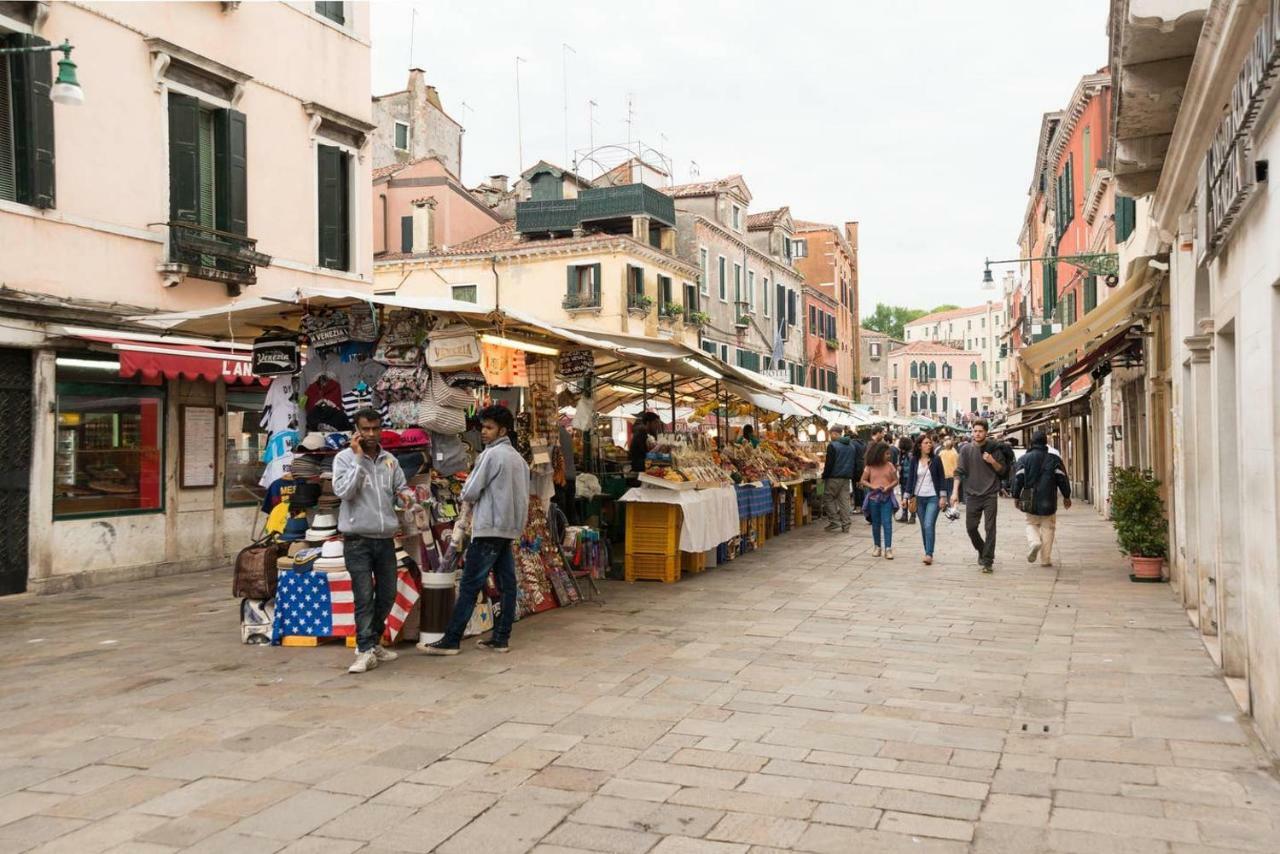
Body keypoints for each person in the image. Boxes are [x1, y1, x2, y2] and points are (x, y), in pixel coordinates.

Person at [423, 405, 530, 655]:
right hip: (508, 528)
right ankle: (501, 637)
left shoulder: (492, 456)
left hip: (490, 527)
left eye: (489, 427)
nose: (483, 431)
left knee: (471, 583)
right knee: (507, 583)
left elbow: (470, 490)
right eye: (483, 426)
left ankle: (451, 639)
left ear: (502, 430)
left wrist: (466, 491)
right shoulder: (519, 460)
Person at [332, 407, 407, 674]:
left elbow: (401, 488)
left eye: (376, 428)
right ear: (357, 430)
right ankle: (364, 650)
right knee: (363, 596)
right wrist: (359, 459)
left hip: (385, 538)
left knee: (387, 594)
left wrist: (407, 496)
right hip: (357, 540)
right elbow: (344, 491)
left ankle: (373, 641)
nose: (372, 434)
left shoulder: (390, 461)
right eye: (366, 429)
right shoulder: (343, 459)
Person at [951, 417, 1012, 573]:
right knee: (971, 528)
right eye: (975, 431)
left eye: (980, 431)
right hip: (971, 495)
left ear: (986, 433)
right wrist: (954, 493)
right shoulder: (965, 450)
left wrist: (992, 461)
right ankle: (982, 550)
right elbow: (959, 472)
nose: (977, 434)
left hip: (990, 494)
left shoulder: (994, 449)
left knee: (990, 528)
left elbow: (1003, 471)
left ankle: (988, 561)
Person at [1012, 430, 1072, 567]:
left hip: (1030, 499)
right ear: (1046, 442)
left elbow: (1018, 478)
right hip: (1049, 498)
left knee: (1031, 523)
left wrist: (1016, 496)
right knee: (1048, 528)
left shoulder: (1024, 459)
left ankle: (1034, 542)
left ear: (1032, 443)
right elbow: (1062, 478)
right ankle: (1045, 559)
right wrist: (1066, 496)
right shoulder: (1054, 459)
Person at [901, 433, 948, 565]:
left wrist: (943, 497)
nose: (929, 445)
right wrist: (905, 497)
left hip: (933, 496)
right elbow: (910, 480)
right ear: (919, 446)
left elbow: (942, 478)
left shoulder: (936, 459)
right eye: (926, 443)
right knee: (923, 526)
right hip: (918, 498)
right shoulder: (914, 460)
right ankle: (927, 550)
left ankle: (929, 554)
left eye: (930, 443)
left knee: (928, 524)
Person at [859, 441, 899, 559]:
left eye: (889, 454)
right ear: (879, 454)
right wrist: (873, 486)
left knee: (887, 523)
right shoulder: (869, 467)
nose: (889, 456)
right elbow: (863, 480)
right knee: (876, 523)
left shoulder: (890, 466)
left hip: (887, 498)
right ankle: (877, 547)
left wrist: (888, 487)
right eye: (886, 454)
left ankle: (888, 548)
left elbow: (896, 480)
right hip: (873, 498)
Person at [821, 426, 856, 533]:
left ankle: (834, 521)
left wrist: (824, 476)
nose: (830, 436)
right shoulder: (851, 446)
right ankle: (846, 525)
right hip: (846, 478)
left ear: (835, 434)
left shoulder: (833, 446)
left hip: (833, 477)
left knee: (828, 498)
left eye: (830, 434)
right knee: (844, 501)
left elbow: (829, 464)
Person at [628, 411, 662, 476]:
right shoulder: (640, 435)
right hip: (639, 472)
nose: (657, 426)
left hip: (644, 469)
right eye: (655, 423)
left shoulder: (646, 435)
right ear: (648, 423)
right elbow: (646, 456)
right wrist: (657, 448)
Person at [938, 434, 960, 518]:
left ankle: (947, 505)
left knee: (946, 491)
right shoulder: (955, 453)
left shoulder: (941, 453)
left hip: (945, 474)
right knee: (953, 491)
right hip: (954, 474)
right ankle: (954, 506)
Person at [896, 435, 916, 523]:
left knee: (911, 498)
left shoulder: (910, 454)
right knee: (903, 497)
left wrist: (902, 468)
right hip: (903, 479)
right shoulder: (902, 454)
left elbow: (913, 467)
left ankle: (912, 516)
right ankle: (904, 515)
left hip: (909, 479)